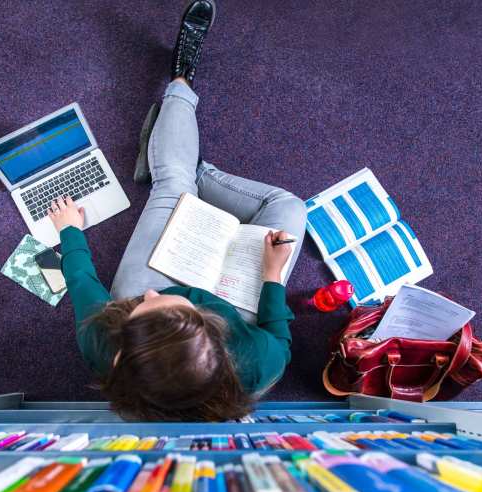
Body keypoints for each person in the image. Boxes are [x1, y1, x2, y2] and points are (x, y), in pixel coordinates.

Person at [48, 0, 307, 421]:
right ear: (213, 326)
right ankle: (179, 163)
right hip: (236, 300)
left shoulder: (112, 344)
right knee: (288, 207)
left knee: (172, 182)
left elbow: (81, 282)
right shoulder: (257, 366)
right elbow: (278, 334)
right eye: (166, 304)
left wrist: (70, 232)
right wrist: (272, 275)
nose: (149, 296)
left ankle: (180, 88)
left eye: (141, 308)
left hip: (167, 278)